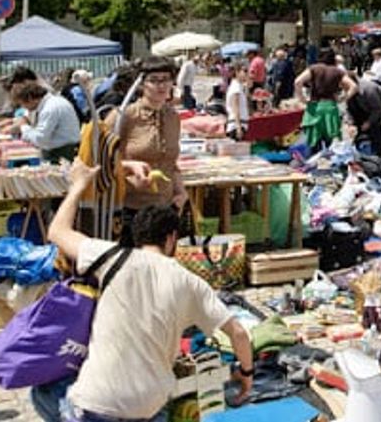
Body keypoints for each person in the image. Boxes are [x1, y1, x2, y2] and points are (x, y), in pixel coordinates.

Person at [42, 160, 253, 422]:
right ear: (171, 239)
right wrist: (246, 373)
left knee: (43, 391)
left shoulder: (110, 256)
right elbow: (239, 334)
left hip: (97, 405)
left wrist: (79, 186)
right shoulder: (191, 282)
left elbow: (57, 231)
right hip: (149, 407)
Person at [114, 57, 188, 228]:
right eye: (154, 80)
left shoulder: (172, 117)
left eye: (166, 79)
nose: (161, 85)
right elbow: (101, 160)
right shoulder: (124, 116)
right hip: (130, 208)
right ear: (141, 84)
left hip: (166, 207)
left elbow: (171, 163)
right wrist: (128, 166)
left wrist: (181, 192)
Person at [11, 82, 83, 163]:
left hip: (62, 153)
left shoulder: (50, 108)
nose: (24, 107)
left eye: (22, 104)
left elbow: (40, 139)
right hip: (58, 150)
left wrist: (23, 127)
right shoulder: (49, 103)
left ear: (30, 98)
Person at [295, 61, 357, 154]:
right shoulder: (337, 71)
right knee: (330, 143)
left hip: (315, 107)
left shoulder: (314, 69)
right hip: (330, 107)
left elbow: (297, 82)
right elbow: (354, 86)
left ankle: (313, 163)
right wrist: (343, 98)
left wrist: (302, 98)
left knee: (313, 141)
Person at [346, 75, 381, 156]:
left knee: (377, 140)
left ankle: (379, 159)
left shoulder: (368, 89)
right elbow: (348, 109)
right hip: (360, 113)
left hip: (376, 115)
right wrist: (350, 123)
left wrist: (369, 122)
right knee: (360, 141)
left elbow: (378, 109)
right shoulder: (348, 91)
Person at [224, 62, 250, 141]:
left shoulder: (239, 86)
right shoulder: (236, 88)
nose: (247, 74)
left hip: (240, 123)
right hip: (236, 125)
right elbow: (236, 108)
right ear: (237, 72)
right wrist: (238, 127)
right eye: (244, 71)